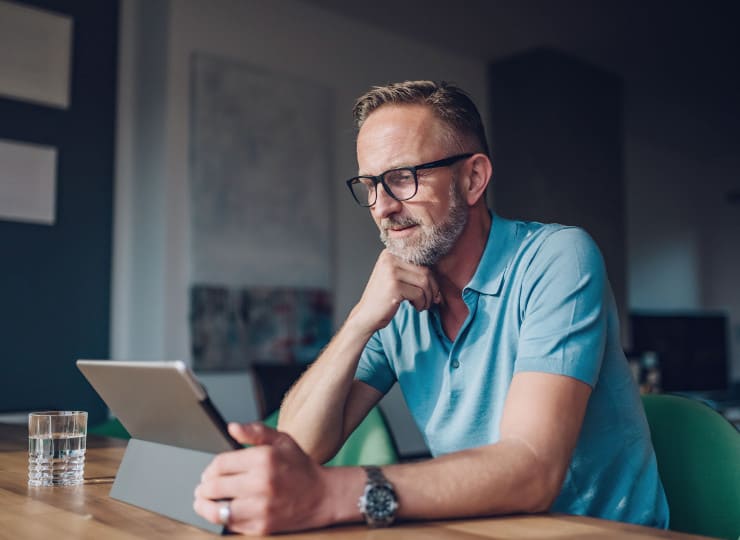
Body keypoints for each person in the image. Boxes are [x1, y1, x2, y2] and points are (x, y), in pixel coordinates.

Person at [193, 80, 669, 535]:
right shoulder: (396, 298)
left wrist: (329, 494)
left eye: (402, 178)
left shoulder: (558, 258)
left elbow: (533, 468)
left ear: (473, 178)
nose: (382, 206)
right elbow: (299, 445)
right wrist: (362, 319)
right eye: (370, 185)